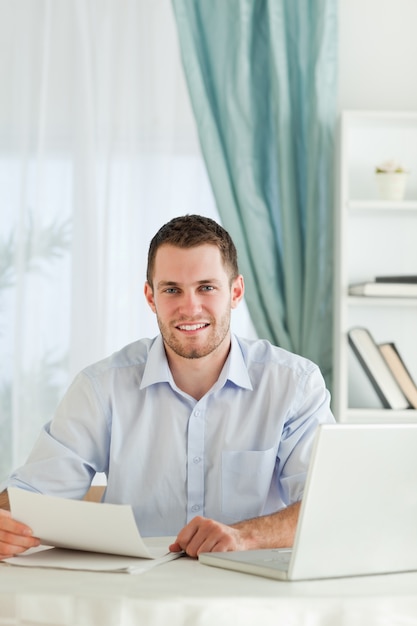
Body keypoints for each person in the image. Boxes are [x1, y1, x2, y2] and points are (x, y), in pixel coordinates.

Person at [0, 214, 334, 560]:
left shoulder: (294, 384)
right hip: (133, 598)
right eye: (172, 289)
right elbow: (35, 495)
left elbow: (328, 502)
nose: (190, 308)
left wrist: (243, 536)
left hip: (250, 594)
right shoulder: (102, 387)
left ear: (235, 292)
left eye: (206, 287)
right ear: (150, 296)